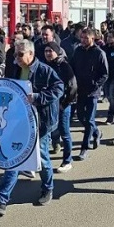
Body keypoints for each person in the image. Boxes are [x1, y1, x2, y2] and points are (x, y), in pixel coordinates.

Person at [0, 39, 63, 216]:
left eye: (20, 54)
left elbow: (59, 88)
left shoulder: (44, 71)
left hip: (41, 122)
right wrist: (0, 79)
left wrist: (39, 97)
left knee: (42, 157)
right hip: (20, 120)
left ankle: (48, 188)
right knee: (14, 156)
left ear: (31, 54)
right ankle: (1, 200)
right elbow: (11, 86)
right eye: (14, 54)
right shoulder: (16, 68)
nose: (16, 58)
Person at [71, 28, 108, 161]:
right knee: (82, 117)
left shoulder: (99, 53)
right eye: (82, 38)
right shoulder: (78, 51)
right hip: (80, 90)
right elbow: (73, 68)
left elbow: (105, 74)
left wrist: (95, 85)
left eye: (86, 38)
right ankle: (97, 132)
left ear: (92, 38)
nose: (83, 40)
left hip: (93, 91)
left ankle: (84, 148)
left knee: (89, 119)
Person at [44, 41, 77, 173]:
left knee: (65, 132)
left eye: (50, 51)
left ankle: (67, 160)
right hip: (49, 105)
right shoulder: (45, 65)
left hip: (63, 105)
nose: (47, 53)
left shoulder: (64, 66)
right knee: (48, 132)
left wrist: (65, 103)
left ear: (57, 52)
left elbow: (72, 86)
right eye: (46, 51)